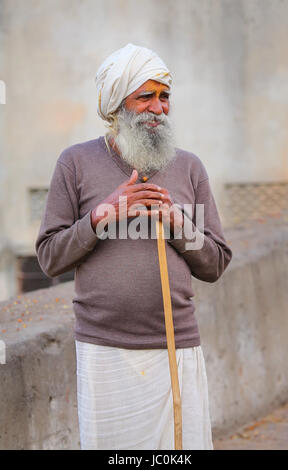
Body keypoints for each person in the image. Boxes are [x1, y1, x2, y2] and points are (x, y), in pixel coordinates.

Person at [35, 43, 232, 450]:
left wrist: (178, 223)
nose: (158, 108)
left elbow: (216, 263)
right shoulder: (75, 163)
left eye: (164, 97)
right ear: (116, 106)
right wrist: (100, 215)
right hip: (103, 350)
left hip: (176, 345)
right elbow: (50, 257)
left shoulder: (189, 167)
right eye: (145, 96)